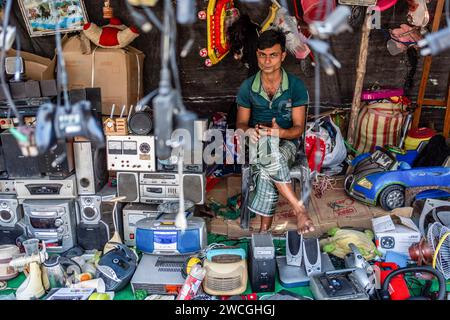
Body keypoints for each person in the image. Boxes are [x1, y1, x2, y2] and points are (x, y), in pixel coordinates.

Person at [235, 29, 315, 235]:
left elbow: (298, 129)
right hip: (256, 140)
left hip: (286, 142)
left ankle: (264, 231)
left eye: (273, 55)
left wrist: (279, 133)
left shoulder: (295, 86)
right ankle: (299, 209)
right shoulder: (247, 87)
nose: (267, 60)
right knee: (267, 152)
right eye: (262, 54)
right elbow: (240, 124)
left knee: (267, 165)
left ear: (282, 56)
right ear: (257, 55)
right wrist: (249, 131)